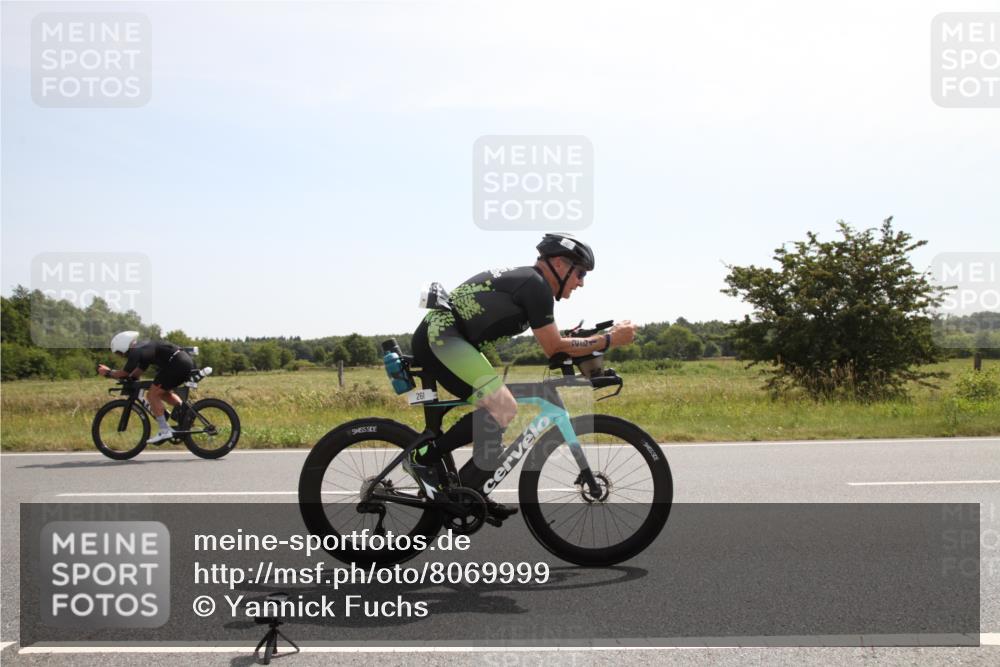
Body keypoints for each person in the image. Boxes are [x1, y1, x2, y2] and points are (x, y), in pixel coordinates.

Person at [405, 233, 636, 519]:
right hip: (442, 337)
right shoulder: (535, 286)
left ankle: (471, 490)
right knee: (503, 406)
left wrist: (584, 343)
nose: (581, 282)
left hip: (450, 338)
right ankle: (422, 459)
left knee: (496, 413)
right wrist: (610, 339)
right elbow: (554, 347)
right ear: (560, 264)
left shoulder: (532, 284)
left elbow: (554, 344)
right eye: (580, 273)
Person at [97, 331, 195, 444]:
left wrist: (108, 372)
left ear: (123, 345)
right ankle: (185, 414)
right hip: (182, 362)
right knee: (161, 393)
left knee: (152, 395)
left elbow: (125, 372)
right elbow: (135, 374)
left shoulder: (136, 350)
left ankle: (164, 430)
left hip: (177, 364)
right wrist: (125, 378)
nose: (121, 356)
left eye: (119, 353)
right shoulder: (143, 349)